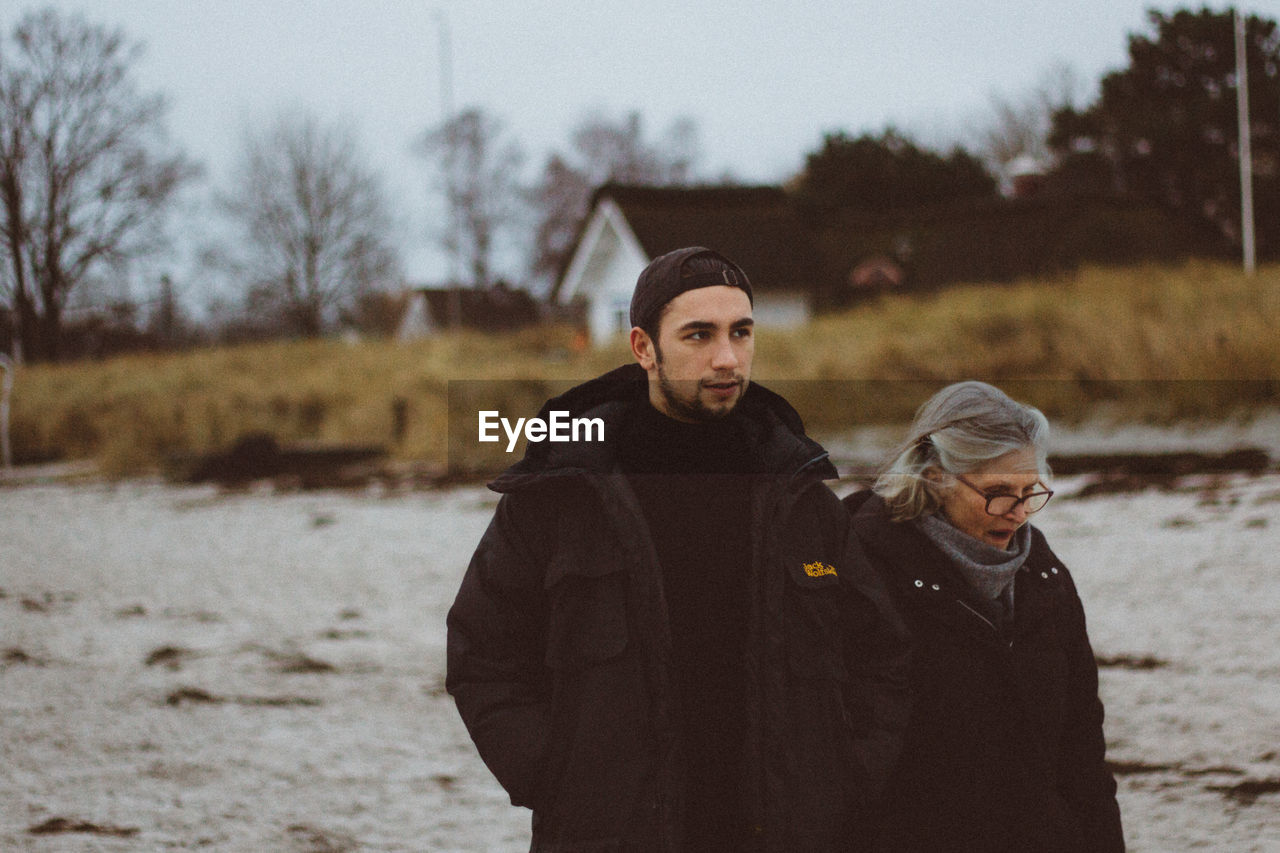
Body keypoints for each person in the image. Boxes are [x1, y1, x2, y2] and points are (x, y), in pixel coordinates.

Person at [447, 246, 909, 852]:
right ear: (644, 348)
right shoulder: (562, 493)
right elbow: (484, 655)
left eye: (741, 333)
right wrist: (556, 776)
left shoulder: (798, 494)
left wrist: (843, 779)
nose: (727, 358)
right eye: (699, 335)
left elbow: (880, 655)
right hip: (611, 833)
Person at [842, 381, 1124, 852]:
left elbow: (1082, 750)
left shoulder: (1045, 577)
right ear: (934, 477)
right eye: (997, 493)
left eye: (1029, 491)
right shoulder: (860, 571)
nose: (1017, 514)